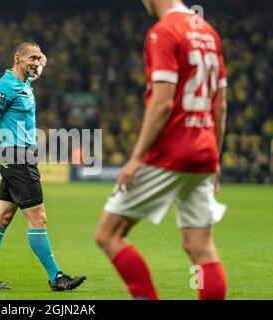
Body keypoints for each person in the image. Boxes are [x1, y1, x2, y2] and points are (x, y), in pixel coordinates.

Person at [95, 0, 228, 300]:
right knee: (200, 247)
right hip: (204, 152)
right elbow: (220, 104)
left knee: (109, 235)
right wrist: (215, 156)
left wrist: (136, 157)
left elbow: (163, 102)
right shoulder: (209, 32)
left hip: (169, 152)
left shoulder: (163, 32)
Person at [0, 40, 86, 290]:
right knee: (39, 218)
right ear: (17, 59)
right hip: (17, 158)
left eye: (38, 58)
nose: (36, 63)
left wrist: (41, 57)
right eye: (31, 58)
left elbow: (42, 64)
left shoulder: (26, 80)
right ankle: (56, 277)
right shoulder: (5, 86)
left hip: (21, 158)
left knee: (2, 216)